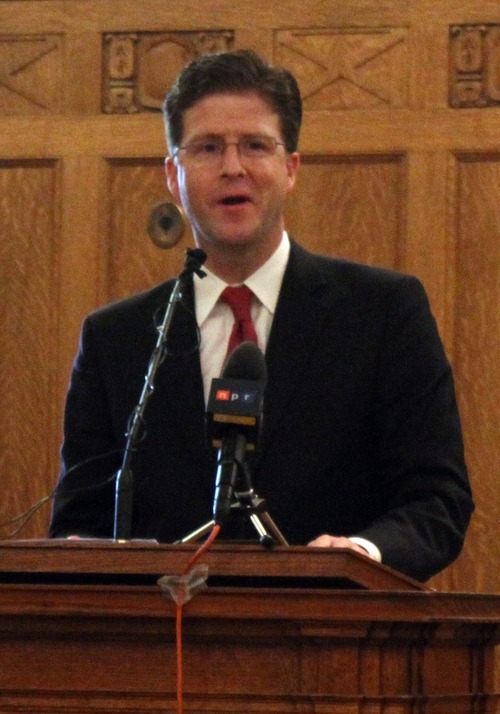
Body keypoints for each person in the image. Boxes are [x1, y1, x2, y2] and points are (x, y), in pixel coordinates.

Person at [49, 50, 474, 582]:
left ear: (290, 168)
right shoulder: (117, 338)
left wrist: (358, 554)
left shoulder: (384, 313)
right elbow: (76, 524)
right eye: (207, 148)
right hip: (157, 647)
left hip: (330, 641)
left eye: (255, 145)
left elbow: (437, 501)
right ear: (173, 175)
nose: (233, 167)